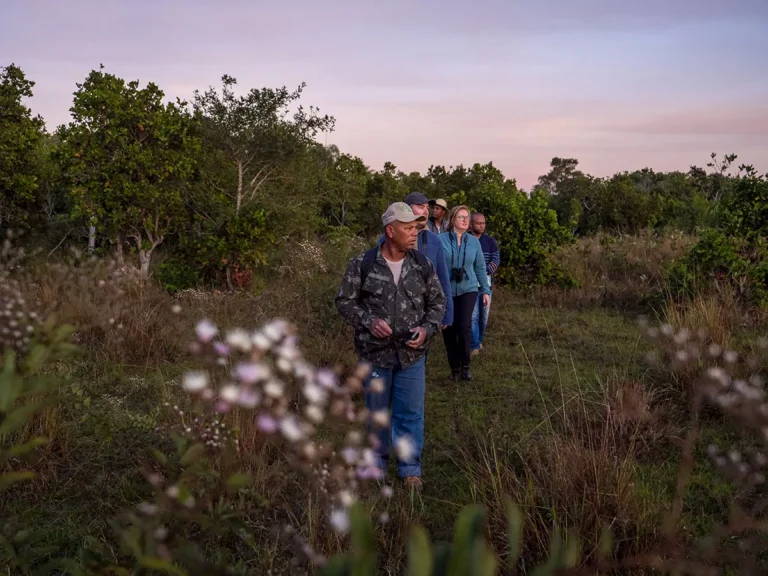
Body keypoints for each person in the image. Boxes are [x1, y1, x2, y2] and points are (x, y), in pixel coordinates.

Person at [335, 202, 446, 491]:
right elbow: (345, 302)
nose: (414, 234)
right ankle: (376, 463)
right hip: (374, 355)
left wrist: (426, 328)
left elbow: (438, 303)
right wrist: (368, 321)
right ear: (390, 231)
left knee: (410, 411)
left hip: (412, 355)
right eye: (408, 228)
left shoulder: (422, 265)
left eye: (416, 228)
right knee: (377, 412)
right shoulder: (363, 264)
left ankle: (410, 467)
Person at [377, 191, 453, 329]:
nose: (425, 211)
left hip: (423, 310)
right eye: (420, 207)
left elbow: (443, 277)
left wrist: (447, 313)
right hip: (391, 311)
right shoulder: (386, 239)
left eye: (427, 208)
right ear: (406, 208)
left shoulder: (434, 240)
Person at [439, 206, 490, 381]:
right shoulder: (441, 240)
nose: (465, 220)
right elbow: (435, 265)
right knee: (449, 329)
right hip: (446, 290)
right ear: (452, 219)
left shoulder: (474, 242)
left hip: (468, 289)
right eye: (461, 217)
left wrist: (485, 290)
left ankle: (465, 366)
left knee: (464, 326)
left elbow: (480, 267)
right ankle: (454, 368)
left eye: (467, 217)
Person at [470, 212, 500, 355]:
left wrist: (485, 271)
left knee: (484, 316)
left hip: (486, 283)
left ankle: (479, 340)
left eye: (483, 223)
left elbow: (496, 259)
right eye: (478, 223)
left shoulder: (490, 241)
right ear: (472, 224)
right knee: (473, 315)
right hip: (470, 284)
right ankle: (474, 345)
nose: (482, 226)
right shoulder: (466, 239)